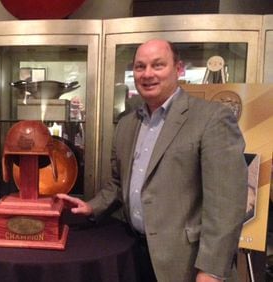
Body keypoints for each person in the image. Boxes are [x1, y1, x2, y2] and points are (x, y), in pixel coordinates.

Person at [57, 39, 247, 282]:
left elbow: (227, 204)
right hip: (132, 253)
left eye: (158, 65)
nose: (147, 74)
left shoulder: (211, 118)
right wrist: (91, 207)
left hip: (186, 263)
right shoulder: (127, 124)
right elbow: (118, 183)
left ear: (179, 69)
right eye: (140, 67)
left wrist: (210, 271)